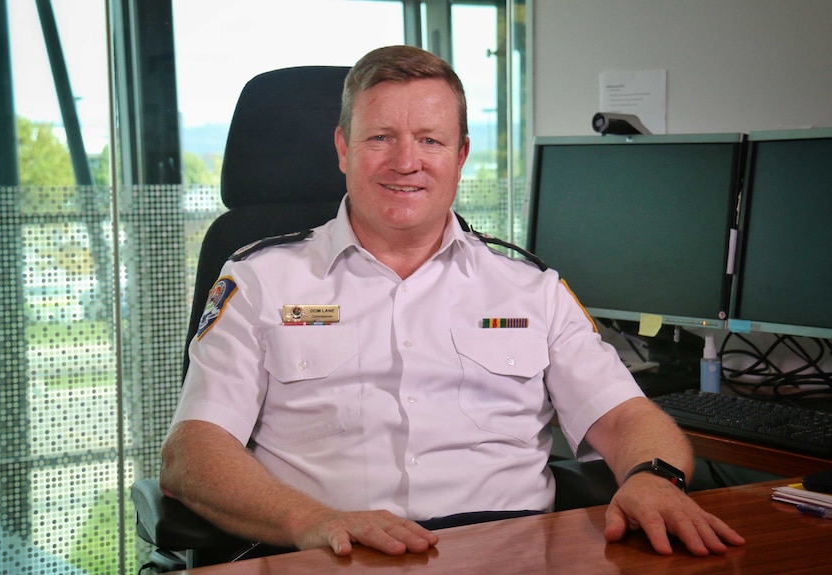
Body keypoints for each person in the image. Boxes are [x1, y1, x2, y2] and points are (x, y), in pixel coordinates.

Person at [160, 45, 744, 559]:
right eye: (380, 137)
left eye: (430, 140)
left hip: (508, 555)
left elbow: (625, 416)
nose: (405, 161)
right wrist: (315, 522)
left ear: (460, 155)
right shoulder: (260, 281)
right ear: (343, 148)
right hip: (330, 554)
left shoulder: (531, 289)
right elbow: (193, 452)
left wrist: (653, 478)